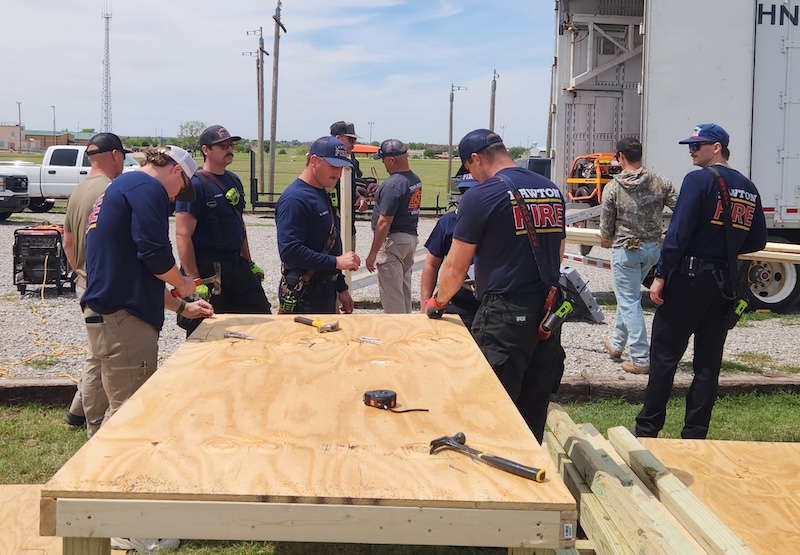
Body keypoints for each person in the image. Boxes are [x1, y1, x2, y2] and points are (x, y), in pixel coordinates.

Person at [425, 129, 566, 443]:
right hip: (548, 311)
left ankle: (492, 477)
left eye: (469, 168)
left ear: (475, 159)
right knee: (532, 409)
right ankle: (530, 476)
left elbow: (455, 266)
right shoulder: (551, 190)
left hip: (504, 315)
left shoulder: (482, 195)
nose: (471, 176)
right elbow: (557, 253)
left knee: (492, 409)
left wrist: (437, 302)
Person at [634, 123, 767, 439]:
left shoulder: (697, 180)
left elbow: (678, 234)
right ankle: (695, 433)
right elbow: (757, 240)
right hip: (723, 285)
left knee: (665, 358)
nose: (691, 150)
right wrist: (725, 248)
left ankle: (647, 430)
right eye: (690, 145)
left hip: (688, 281)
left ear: (717, 147)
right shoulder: (748, 188)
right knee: (708, 364)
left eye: (698, 145)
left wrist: (661, 276)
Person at [82, 145, 214, 439]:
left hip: (106, 308)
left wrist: (182, 307)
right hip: (124, 316)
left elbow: (138, 271)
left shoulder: (124, 185)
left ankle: (93, 456)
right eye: (180, 190)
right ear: (176, 170)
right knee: (131, 410)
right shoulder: (148, 187)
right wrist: (183, 285)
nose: (175, 198)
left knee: (112, 398)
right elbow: (154, 254)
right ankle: (108, 471)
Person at [175, 125, 271, 335]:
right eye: (223, 145)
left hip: (236, 264)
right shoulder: (194, 184)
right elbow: (183, 234)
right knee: (206, 329)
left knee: (261, 318)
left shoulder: (234, 180)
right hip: (209, 269)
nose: (230, 149)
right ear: (205, 150)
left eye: (231, 144)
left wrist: (249, 261)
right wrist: (194, 279)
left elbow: (239, 223)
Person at [62, 132, 128, 431]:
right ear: (115, 154)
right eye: (124, 156)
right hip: (100, 282)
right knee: (104, 354)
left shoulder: (80, 189)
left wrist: (80, 270)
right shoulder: (109, 191)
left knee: (98, 350)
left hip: (84, 279)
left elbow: (67, 241)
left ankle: (77, 413)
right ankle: (92, 421)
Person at [599, 137, 677, 374]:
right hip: (652, 250)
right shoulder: (660, 182)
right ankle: (616, 343)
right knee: (629, 297)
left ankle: (641, 357)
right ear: (639, 156)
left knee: (629, 301)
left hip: (625, 251)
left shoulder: (613, 187)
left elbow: (606, 227)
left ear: (620, 157)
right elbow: (681, 208)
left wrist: (605, 239)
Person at [275, 136, 360, 314]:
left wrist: (341, 287)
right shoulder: (295, 198)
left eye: (341, 167)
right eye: (333, 166)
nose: (338, 173)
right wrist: (337, 262)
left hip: (324, 288)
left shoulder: (321, 192)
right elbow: (290, 251)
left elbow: (329, 244)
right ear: (314, 161)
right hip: (304, 291)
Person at [365, 139, 422, 313]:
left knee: (392, 295)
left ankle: (396, 333)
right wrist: (382, 190)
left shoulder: (392, 185)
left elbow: (384, 222)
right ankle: (407, 331)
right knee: (403, 290)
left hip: (393, 242)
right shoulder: (413, 179)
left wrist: (373, 253)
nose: (383, 164)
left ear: (391, 160)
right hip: (409, 239)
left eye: (383, 160)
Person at [420, 174, 480, 329]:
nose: (469, 197)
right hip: (456, 300)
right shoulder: (448, 221)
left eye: (474, 191)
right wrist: (426, 302)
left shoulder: (497, 220)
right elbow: (431, 264)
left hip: (490, 303)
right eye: (464, 192)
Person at [329, 121, 369, 248]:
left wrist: (360, 198)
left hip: (348, 228)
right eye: (351, 139)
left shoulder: (348, 164)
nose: (354, 144)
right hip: (330, 231)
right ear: (337, 138)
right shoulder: (324, 164)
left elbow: (351, 189)